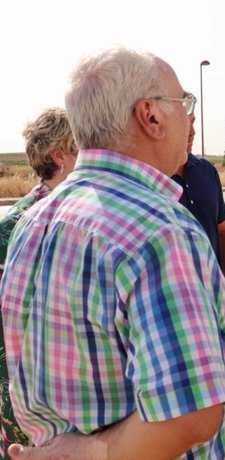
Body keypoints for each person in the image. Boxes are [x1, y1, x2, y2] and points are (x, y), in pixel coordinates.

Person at [0, 47, 225, 459]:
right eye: (184, 103)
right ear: (149, 115)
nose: (189, 118)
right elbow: (191, 414)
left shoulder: (34, 221)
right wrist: (87, 453)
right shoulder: (160, 232)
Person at [0, 107, 77, 456]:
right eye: (82, 147)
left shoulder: (79, 216)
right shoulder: (17, 225)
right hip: (25, 399)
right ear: (59, 156)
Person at [172, 113, 225, 294]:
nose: (192, 132)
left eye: (193, 122)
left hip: (215, 298)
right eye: (184, 123)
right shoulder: (150, 179)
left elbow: (223, 231)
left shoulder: (207, 170)